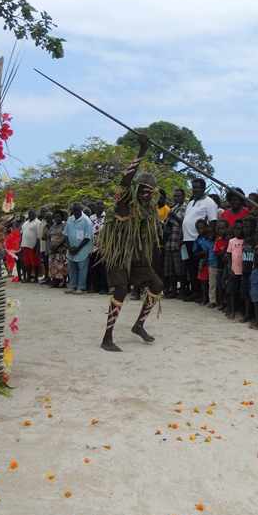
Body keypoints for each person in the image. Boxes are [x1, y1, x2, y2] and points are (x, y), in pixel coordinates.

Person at [96, 135, 163, 352]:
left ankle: (138, 325)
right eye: (143, 190)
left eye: (150, 192)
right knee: (121, 290)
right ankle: (107, 337)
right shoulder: (125, 200)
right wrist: (141, 151)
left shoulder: (148, 209)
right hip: (119, 254)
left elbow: (149, 236)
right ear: (137, 188)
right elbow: (126, 178)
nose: (147, 194)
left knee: (157, 285)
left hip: (137, 255)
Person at [182, 178, 218, 301]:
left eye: (197, 187)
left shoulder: (209, 202)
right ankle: (194, 291)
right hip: (187, 239)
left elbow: (213, 221)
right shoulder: (191, 202)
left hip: (198, 241)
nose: (195, 190)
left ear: (203, 188)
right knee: (189, 267)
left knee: (199, 267)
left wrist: (208, 240)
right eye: (193, 187)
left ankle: (200, 294)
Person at [64, 202, 94, 294]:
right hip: (71, 249)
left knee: (82, 268)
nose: (75, 212)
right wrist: (69, 247)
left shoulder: (86, 221)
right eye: (73, 211)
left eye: (77, 211)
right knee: (71, 268)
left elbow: (87, 238)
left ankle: (81, 287)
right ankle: (72, 286)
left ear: (80, 210)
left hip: (82, 249)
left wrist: (77, 248)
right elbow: (66, 234)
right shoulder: (70, 219)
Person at [162, 189, 186, 298]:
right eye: (175, 196)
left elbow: (183, 222)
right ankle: (173, 290)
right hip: (169, 242)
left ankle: (181, 291)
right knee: (169, 269)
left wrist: (173, 216)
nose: (176, 198)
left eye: (178, 196)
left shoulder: (185, 207)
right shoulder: (173, 208)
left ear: (183, 196)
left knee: (179, 269)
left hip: (178, 241)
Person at [225, 219, 245, 319]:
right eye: (236, 229)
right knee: (232, 291)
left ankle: (241, 310)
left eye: (240, 229)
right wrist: (230, 267)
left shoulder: (246, 241)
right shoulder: (231, 241)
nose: (238, 231)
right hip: (234, 271)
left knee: (241, 292)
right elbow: (228, 255)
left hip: (244, 271)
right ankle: (232, 310)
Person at [194, 220, 213, 305]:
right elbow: (195, 253)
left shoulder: (211, 237)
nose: (200, 230)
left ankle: (212, 299)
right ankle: (205, 298)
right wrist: (202, 253)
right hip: (203, 263)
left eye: (202, 228)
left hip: (213, 263)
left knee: (212, 283)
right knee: (203, 282)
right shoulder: (198, 240)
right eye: (198, 228)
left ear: (206, 227)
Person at [19, 209, 40, 283]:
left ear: (35, 214)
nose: (31, 215)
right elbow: (22, 234)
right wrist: (20, 244)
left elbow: (39, 237)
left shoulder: (38, 223)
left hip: (32, 246)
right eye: (30, 213)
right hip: (24, 245)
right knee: (27, 263)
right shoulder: (25, 223)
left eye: (32, 213)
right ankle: (28, 277)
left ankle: (36, 278)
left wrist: (37, 247)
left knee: (35, 263)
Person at [48, 212, 68, 288]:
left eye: (59, 217)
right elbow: (49, 237)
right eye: (56, 217)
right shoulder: (52, 226)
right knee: (53, 266)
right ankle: (55, 282)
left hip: (61, 249)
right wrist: (51, 245)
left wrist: (57, 245)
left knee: (62, 266)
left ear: (62, 217)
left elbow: (64, 236)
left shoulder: (64, 225)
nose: (57, 218)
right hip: (52, 249)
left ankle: (63, 282)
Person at [37, 207, 51, 285]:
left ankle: (48, 277)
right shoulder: (41, 221)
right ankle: (46, 277)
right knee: (45, 263)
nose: (43, 213)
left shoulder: (48, 222)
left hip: (47, 246)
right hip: (42, 245)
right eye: (42, 212)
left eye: (45, 211)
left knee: (48, 262)